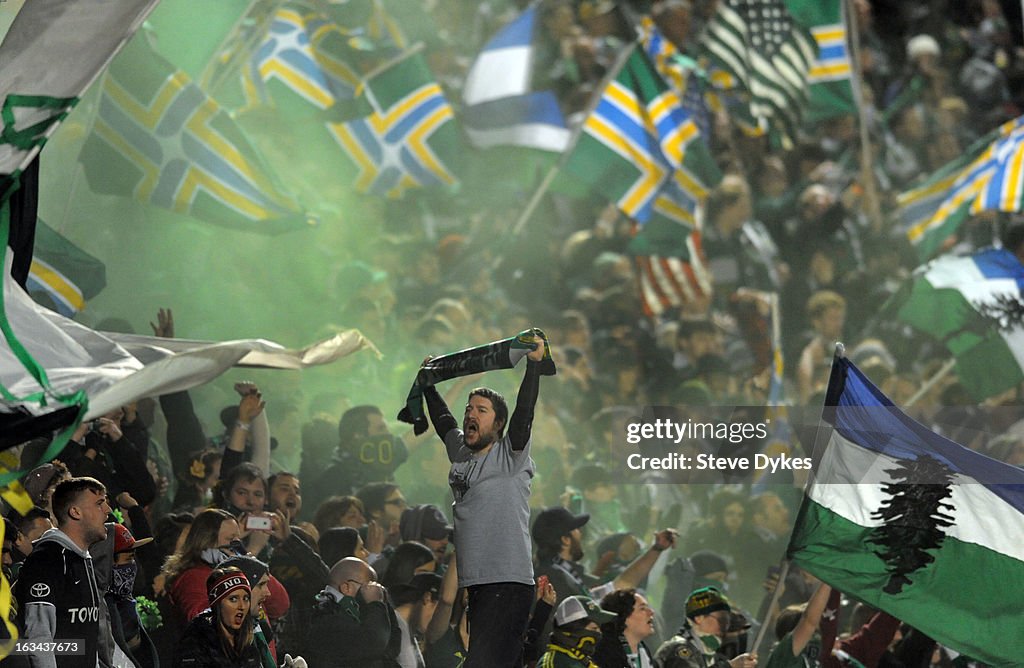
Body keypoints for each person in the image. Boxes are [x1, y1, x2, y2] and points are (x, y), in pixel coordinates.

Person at [421, 330, 549, 667]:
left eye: (482, 409)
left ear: (499, 423)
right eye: (470, 409)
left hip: (507, 582)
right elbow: (444, 422)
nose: (471, 414)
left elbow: (525, 414)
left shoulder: (511, 455)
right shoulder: (461, 452)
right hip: (478, 584)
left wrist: (533, 368)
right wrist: (427, 386)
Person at [14, 476, 112, 668]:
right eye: (99, 503)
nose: (107, 511)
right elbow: (38, 639)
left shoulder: (81, 557)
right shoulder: (48, 559)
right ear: (75, 512)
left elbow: (86, 639)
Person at [300, 557, 397, 667]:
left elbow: (392, 648)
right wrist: (376, 602)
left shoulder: (359, 614)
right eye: (367, 586)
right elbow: (374, 642)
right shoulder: (326, 617)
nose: (372, 592)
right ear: (346, 588)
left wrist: (383, 602)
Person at [173, 565, 266, 667]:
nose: (242, 606)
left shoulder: (248, 643)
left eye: (246, 598)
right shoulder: (195, 642)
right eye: (233, 599)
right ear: (217, 604)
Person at [655, 588, 757, 668]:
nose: (726, 625)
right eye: (722, 619)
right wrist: (730, 666)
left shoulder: (711, 655)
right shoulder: (680, 649)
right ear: (699, 618)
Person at [537, 595, 617, 668]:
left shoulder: (581, 661)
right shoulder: (554, 664)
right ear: (574, 629)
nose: (599, 633)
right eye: (594, 628)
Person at [592, 589, 657, 668]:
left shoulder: (644, 651)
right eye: (642, 608)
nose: (651, 612)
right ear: (623, 616)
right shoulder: (604, 653)